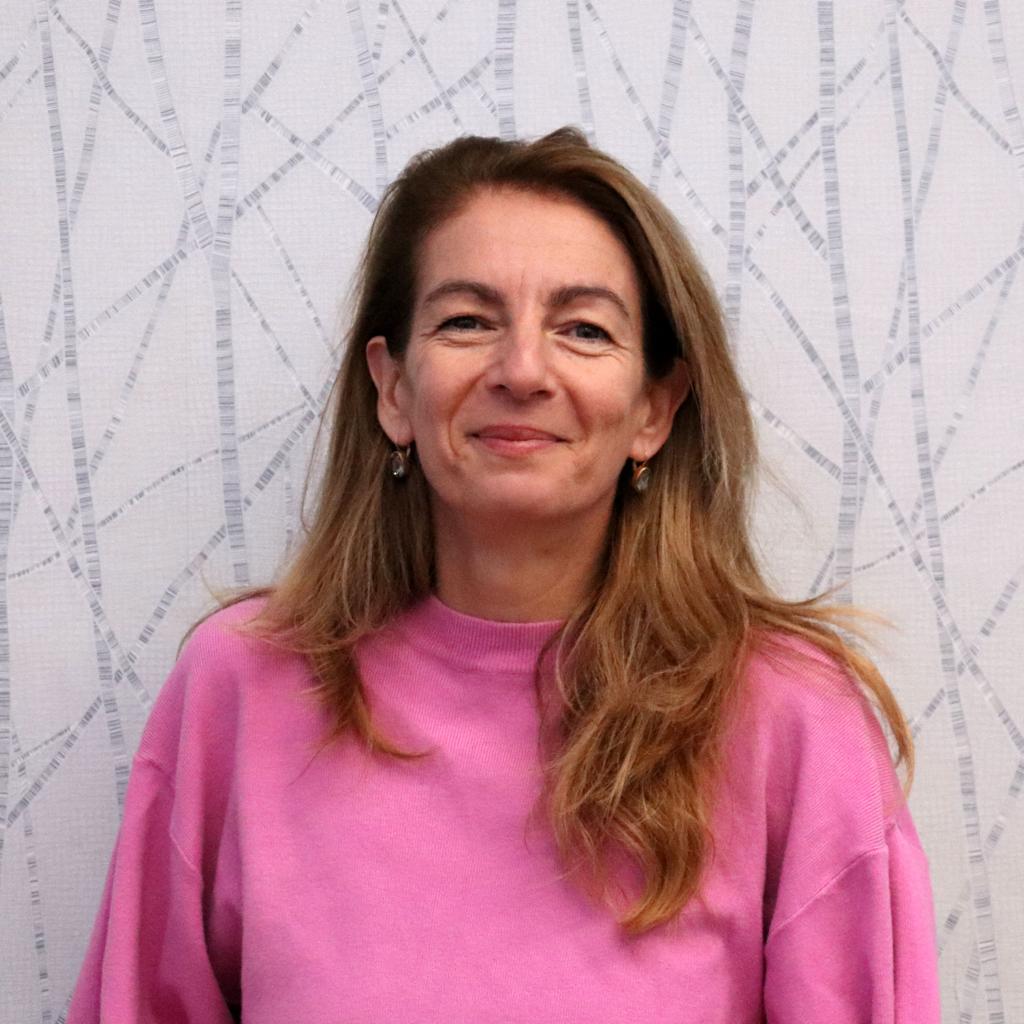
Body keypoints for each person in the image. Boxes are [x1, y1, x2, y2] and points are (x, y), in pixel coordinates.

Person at [68, 128, 941, 1022]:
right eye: (467, 322)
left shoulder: (790, 719)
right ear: (393, 389)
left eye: (584, 330)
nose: (522, 371)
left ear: (654, 408)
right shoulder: (240, 690)